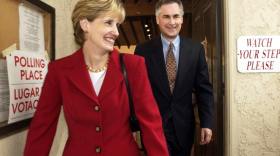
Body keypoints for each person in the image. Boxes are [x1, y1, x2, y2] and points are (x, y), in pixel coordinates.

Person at [24, 0, 169, 155]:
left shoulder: (133, 66)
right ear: (85, 24)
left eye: (117, 25)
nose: (116, 32)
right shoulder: (58, 71)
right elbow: (41, 130)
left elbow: (151, 126)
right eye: (108, 23)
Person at [134, 0, 214, 155]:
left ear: (182, 18)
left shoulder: (196, 50)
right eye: (166, 17)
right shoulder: (142, 50)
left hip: (184, 127)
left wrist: (207, 123)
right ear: (157, 19)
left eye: (176, 16)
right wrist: (134, 126)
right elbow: (135, 92)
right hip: (153, 127)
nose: (172, 22)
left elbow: (204, 89)